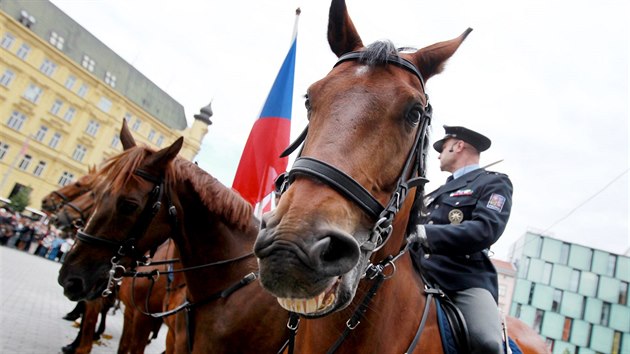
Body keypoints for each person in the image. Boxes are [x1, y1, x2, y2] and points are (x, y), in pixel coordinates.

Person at [409, 125, 513, 354]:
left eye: (443, 147)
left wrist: (425, 233)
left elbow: (486, 229)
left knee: (487, 343)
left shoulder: (493, 183)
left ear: (458, 146)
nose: (438, 153)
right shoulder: (436, 193)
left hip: (461, 280)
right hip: (418, 272)